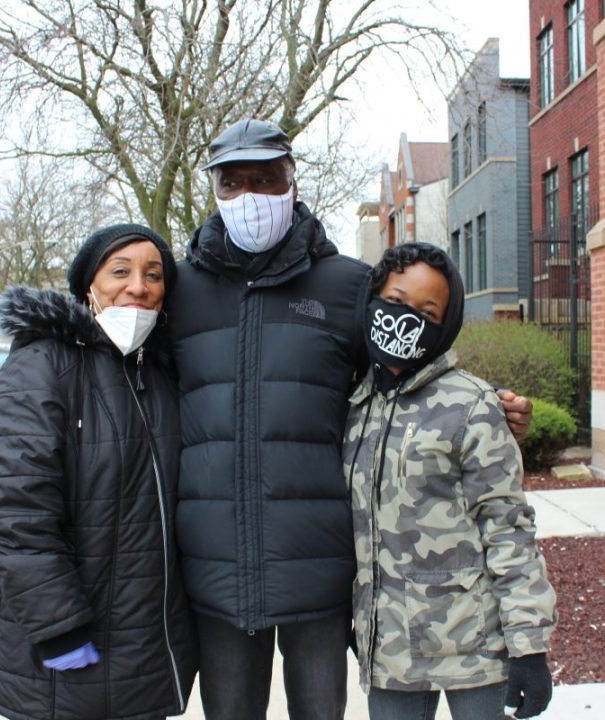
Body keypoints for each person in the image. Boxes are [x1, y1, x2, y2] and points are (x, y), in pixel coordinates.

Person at [164, 118, 533, 720]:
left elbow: (403, 373)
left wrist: (488, 404)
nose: (251, 196)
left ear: (292, 181)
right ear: (214, 190)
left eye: (266, 179)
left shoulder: (346, 287)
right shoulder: (182, 291)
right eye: (234, 184)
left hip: (319, 568)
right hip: (215, 569)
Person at [0, 224, 197, 720]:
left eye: (153, 275)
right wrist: (57, 624)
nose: (139, 285)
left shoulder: (157, 374)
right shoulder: (44, 366)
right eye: (121, 271)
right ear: (88, 286)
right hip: (64, 646)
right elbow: (6, 506)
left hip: (142, 650)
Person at [344, 242, 556, 720]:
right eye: (395, 302)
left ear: (446, 323)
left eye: (427, 310)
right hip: (391, 650)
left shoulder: (473, 405)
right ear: (374, 298)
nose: (405, 319)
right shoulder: (354, 406)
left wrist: (528, 646)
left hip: (473, 649)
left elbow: (507, 527)